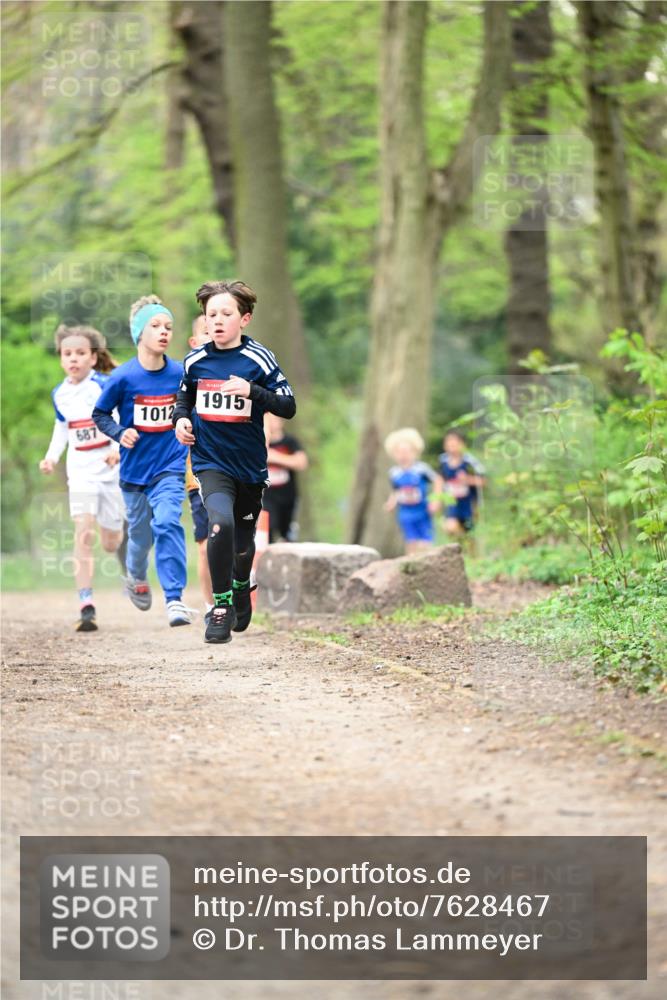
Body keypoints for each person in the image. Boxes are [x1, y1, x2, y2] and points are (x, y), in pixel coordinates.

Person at [173, 279, 296, 644]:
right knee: (219, 525)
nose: (217, 320)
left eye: (226, 313)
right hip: (210, 462)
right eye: (211, 314)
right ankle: (221, 606)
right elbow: (184, 400)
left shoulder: (258, 359)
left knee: (242, 545)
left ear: (244, 319)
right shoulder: (195, 361)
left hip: (249, 467)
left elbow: (288, 405)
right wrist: (181, 421)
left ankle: (242, 584)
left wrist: (252, 391)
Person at [92, 295, 193, 627]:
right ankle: (135, 574)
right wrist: (120, 432)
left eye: (168, 327)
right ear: (139, 333)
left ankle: (175, 599)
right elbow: (100, 414)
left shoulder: (180, 373)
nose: (164, 332)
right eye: (156, 326)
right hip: (134, 471)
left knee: (167, 522)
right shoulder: (122, 378)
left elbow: (193, 408)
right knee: (140, 535)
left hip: (169, 466)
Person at [39, 325, 126, 633]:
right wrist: (51, 457)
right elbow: (62, 428)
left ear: (93, 357)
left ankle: (123, 544)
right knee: (83, 532)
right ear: (61, 358)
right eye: (67, 354)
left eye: (80, 353)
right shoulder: (59, 394)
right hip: (80, 473)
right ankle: (86, 603)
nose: (73, 359)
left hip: (109, 471)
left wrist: (116, 448)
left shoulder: (103, 385)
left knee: (110, 542)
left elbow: (118, 418)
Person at [185, 315, 214, 616]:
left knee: (234, 540)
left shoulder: (242, 370)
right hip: (198, 475)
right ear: (194, 342)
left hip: (237, 471)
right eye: (207, 331)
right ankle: (211, 607)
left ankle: (236, 588)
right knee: (205, 546)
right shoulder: (186, 379)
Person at [384, 428, 438, 554]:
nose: (403, 455)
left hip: (422, 511)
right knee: (411, 542)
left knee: (425, 542)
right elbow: (395, 491)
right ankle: (411, 562)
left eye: (407, 451)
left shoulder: (421, 469)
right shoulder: (394, 473)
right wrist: (391, 503)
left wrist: (435, 501)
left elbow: (438, 480)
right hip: (405, 513)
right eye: (399, 452)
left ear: (415, 452)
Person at [263, 412, 308, 542]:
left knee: (287, 532)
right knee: (268, 527)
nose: (271, 423)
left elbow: (301, 462)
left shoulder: (290, 442)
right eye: (267, 420)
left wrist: (275, 457)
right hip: (266, 496)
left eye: (274, 419)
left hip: (287, 496)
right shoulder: (258, 443)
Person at [436, 429, 486, 537]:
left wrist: (468, 479)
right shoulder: (443, 461)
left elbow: (483, 481)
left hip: (468, 505)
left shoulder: (470, 461)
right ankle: (459, 542)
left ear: (462, 444)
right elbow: (439, 480)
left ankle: (465, 544)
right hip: (451, 504)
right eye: (449, 443)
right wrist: (437, 499)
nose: (452, 446)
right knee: (450, 527)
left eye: (455, 443)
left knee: (469, 533)